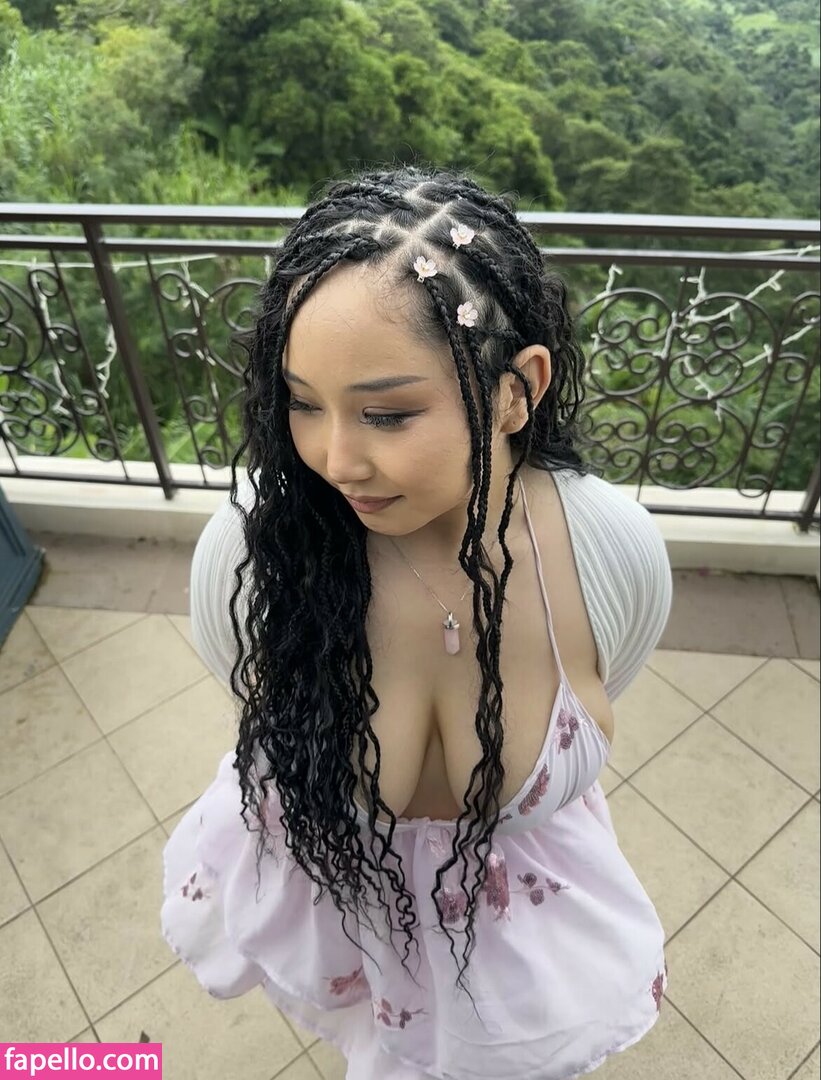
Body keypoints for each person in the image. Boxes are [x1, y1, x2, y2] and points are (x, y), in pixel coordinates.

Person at [161, 165, 673, 1080]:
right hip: (345, 917)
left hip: (520, 954)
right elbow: (251, 689)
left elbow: (614, 662)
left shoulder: (606, 555)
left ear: (516, 390)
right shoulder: (255, 557)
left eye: (387, 414)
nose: (333, 460)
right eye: (303, 403)